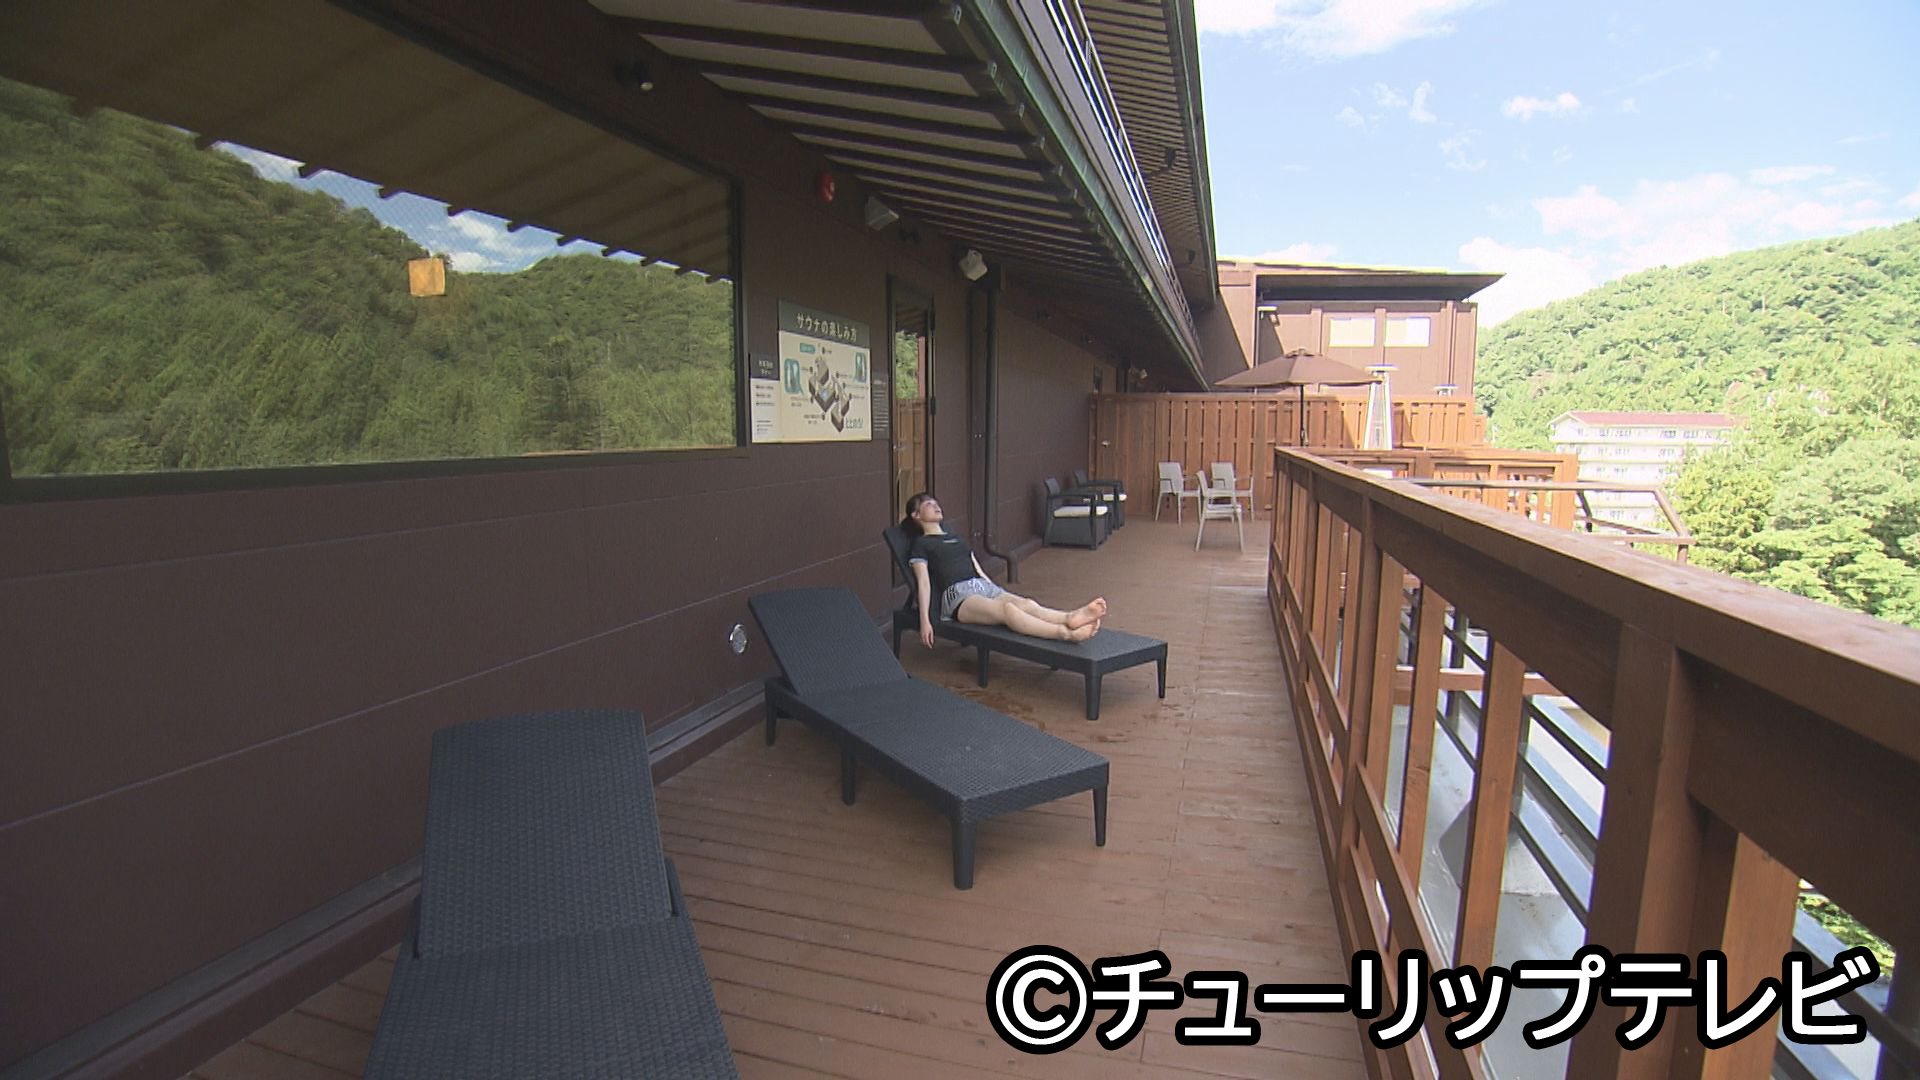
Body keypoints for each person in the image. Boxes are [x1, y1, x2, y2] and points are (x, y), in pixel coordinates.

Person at [901, 492, 1107, 648]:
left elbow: (976, 567)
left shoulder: (956, 538)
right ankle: (1065, 633)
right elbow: (923, 583)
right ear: (916, 515)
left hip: (981, 586)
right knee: (1008, 611)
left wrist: (994, 589)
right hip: (959, 597)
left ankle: (1070, 617)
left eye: (936, 503)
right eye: (928, 504)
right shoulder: (921, 544)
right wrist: (925, 621)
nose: (936, 506)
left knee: (1026, 603)